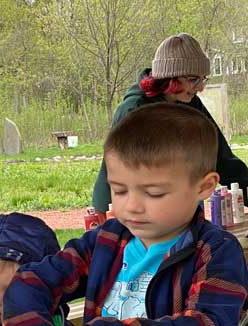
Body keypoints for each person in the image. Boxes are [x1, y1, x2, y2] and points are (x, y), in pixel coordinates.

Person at [4, 103, 248, 326]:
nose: (131, 207)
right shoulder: (106, 242)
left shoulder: (215, 251)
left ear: (204, 187)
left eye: (153, 194)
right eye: (119, 190)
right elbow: (31, 284)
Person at [91, 33, 248, 215]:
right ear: (170, 78)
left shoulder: (189, 102)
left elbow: (219, 155)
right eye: (192, 79)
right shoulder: (134, 110)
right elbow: (123, 173)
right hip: (131, 208)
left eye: (202, 79)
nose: (200, 87)